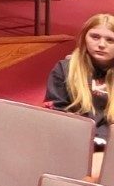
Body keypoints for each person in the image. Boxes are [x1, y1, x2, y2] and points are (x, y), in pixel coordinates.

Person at [45, 13, 111, 180]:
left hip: (109, 146)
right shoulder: (64, 69)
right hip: (73, 141)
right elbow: (56, 113)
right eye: (95, 37)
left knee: (95, 175)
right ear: (84, 38)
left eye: (110, 40)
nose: (101, 44)